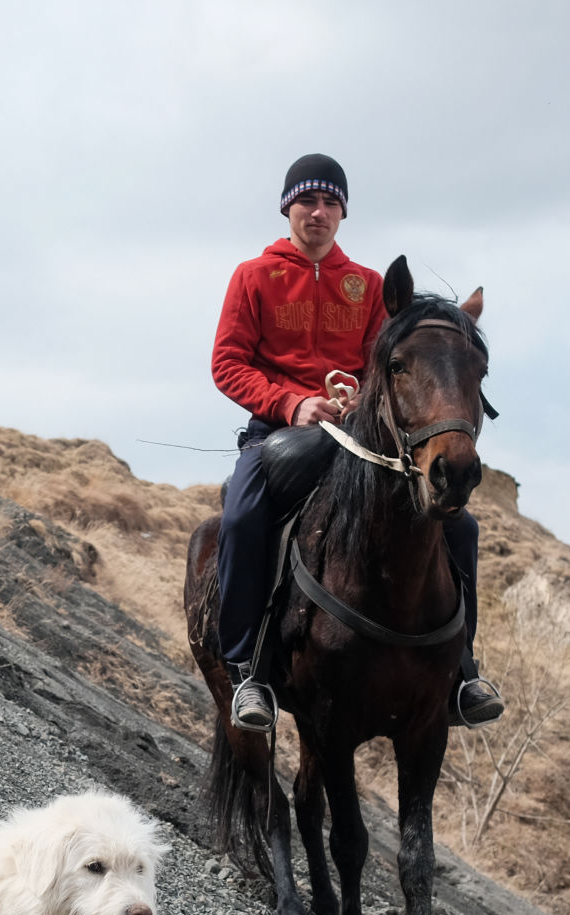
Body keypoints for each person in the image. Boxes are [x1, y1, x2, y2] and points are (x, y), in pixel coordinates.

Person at [209, 153, 504, 733]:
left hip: (358, 435)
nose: (318, 213)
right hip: (279, 431)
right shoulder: (252, 276)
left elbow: (388, 365)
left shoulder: (368, 285)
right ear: (287, 207)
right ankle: (248, 669)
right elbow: (227, 364)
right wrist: (293, 403)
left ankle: (462, 670)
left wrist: (356, 401)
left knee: (460, 526)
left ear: (343, 212)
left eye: (330, 203)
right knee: (243, 517)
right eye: (307, 201)